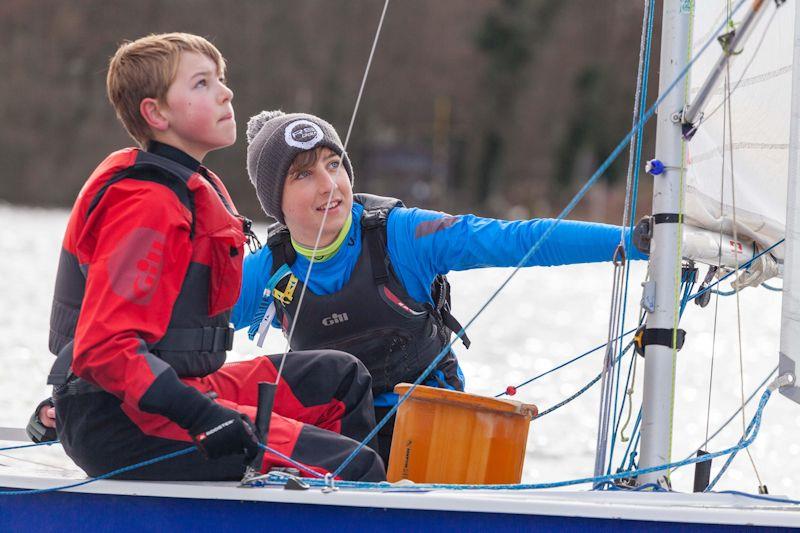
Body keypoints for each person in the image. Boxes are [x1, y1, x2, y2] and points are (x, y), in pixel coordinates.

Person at [36, 34, 384, 482]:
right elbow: (104, 349)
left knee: (341, 378)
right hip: (125, 420)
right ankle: (358, 490)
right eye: (202, 83)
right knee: (356, 466)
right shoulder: (147, 203)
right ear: (156, 113)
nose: (226, 92)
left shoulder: (187, 186)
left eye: (221, 78)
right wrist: (203, 417)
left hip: (171, 390)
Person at [234, 110, 646, 464]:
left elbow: (520, 238)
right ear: (277, 203)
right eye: (304, 174)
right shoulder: (265, 269)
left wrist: (638, 242)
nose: (328, 184)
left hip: (427, 427)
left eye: (333, 163)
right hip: (338, 438)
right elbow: (180, 326)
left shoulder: (403, 235)